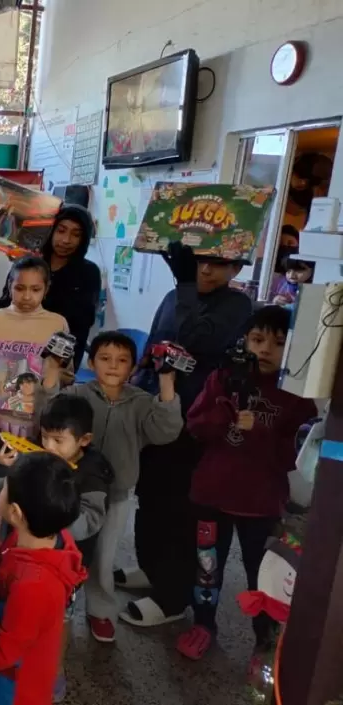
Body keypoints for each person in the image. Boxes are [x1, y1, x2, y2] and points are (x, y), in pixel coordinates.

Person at [175, 306, 315, 660]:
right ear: (244, 342)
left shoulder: (297, 395)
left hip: (262, 501)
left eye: (278, 343)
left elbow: (295, 456)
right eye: (257, 339)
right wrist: (225, 413)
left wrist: (261, 431)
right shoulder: (223, 378)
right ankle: (204, 622)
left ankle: (265, 637)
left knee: (264, 572)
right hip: (213, 493)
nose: (265, 349)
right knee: (207, 567)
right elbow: (195, 426)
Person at [123, 242, 252, 628]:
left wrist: (184, 284)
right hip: (156, 412)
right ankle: (152, 569)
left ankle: (173, 597)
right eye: (198, 263)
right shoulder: (171, 295)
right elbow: (156, 346)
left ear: (236, 269)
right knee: (149, 498)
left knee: (179, 509)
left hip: (194, 422)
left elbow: (197, 339)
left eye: (218, 263)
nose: (206, 271)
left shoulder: (237, 306)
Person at [41, 330, 181, 643]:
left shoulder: (141, 402)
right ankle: (54, 605)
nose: (113, 366)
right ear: (91, 362)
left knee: (103, 555)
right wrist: (51, 373)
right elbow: (47, 415)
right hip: (69, 488)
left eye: (122, 361)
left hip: (116, 494)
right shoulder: (77, 393)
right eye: (104, 358)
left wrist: (167, 384)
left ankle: (101, 610)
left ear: (133, 367)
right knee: (62, 548)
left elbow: (165, 432)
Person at [0, 453, 86, 705]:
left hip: (16, 686)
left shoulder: (35, 586)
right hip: (22, 646)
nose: (2, 491)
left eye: (5, 487)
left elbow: (3, 654)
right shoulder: (48, 536)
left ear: (16, 512)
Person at [38, 395, 114, 702]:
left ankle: (55, 671)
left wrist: (51, 519)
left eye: (57, 440)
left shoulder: (94, 473)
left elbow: (92, 520)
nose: (48, 447)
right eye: (44, 437)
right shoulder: (45, 457)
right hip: (39, 559)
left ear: (84, 440)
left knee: (60, 620)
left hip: (69, 564)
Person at [0, 255, 70, 436]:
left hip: (39, 418)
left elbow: (67, 375)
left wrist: (52, 374)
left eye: (35, 289)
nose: (27, 296)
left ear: (46, 289)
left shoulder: (57, 324)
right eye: (19, 288)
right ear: (9, 286)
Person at [38, 205, 102, 370]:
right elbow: (5, 306)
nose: (66, 240)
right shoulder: (30, 265)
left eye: (76, 234)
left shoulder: (89, 272)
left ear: (84, 239)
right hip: (20, 349)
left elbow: (82, 324)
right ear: (51, 230)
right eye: (61, 231)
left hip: (60, 360)